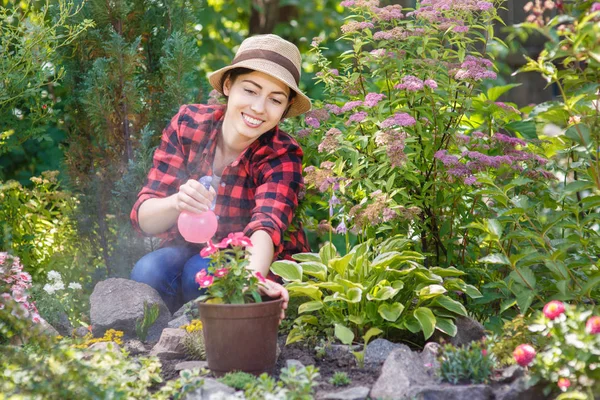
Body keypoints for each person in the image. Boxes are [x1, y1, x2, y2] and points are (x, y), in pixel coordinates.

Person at [130, 34, 312, 319]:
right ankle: (165, 340)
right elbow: (145, 218)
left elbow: (266, 226)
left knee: (197, 275)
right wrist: (178, 202)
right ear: (228, 86)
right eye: (250, 90)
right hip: (191, 249)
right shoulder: (189, 124)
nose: (258, 108)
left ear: (286, 109)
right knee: (148, 270)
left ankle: (210, 338)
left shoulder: (281, 153)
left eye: (275, 100)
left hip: (251, 262)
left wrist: (251, 283)